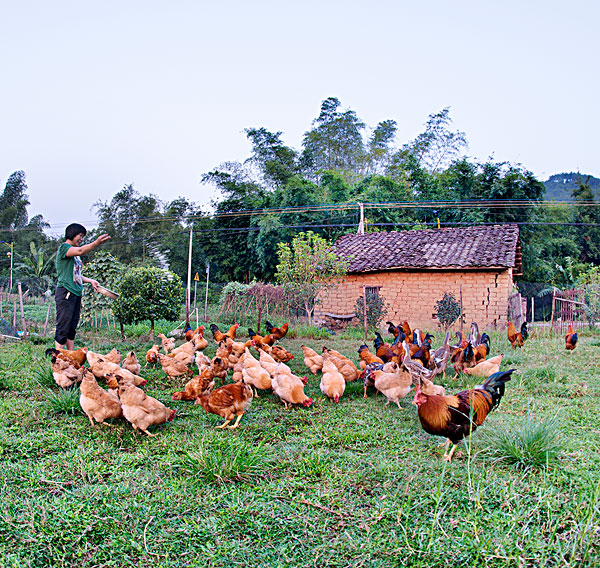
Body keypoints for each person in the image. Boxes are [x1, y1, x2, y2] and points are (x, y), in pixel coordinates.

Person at [54, 223, 110, 350]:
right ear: (72, 234)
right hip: (66, 292)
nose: (81, 239)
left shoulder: (75, 256)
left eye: (83, 236)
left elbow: (77, 275)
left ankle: (72, 357)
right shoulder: (64, 248)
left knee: (72, 327)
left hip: (76, 293)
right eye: (80, 235)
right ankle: (58, 359)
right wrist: (96, 243)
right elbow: (80, 250)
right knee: (63, 326)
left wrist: (90, 281)